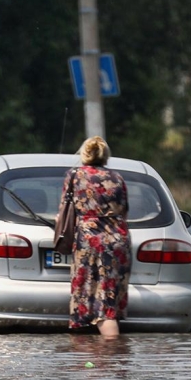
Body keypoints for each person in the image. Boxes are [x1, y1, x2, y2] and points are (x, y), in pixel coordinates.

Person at [59, 136, 132, 337]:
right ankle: (108, 356)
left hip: (91, 241)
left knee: (100, 307)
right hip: (119, 241)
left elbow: (65, 210)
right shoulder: (117, 178)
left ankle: (108, 354)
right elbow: (124, 211)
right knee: (109, 299)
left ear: (84, 154)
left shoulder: (75, 175)